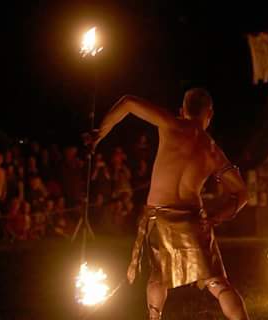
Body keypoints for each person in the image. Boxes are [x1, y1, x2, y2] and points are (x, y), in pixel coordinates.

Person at [91, 88, 249, 320]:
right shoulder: (213, 151)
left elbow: (128, 102)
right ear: (210, 114)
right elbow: (242, 193)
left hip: (161, 218)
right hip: (193, 220)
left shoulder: (171, 125)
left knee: (158, 277)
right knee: (217, 283)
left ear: (182, 110)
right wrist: (218, 216)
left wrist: (99, 133)